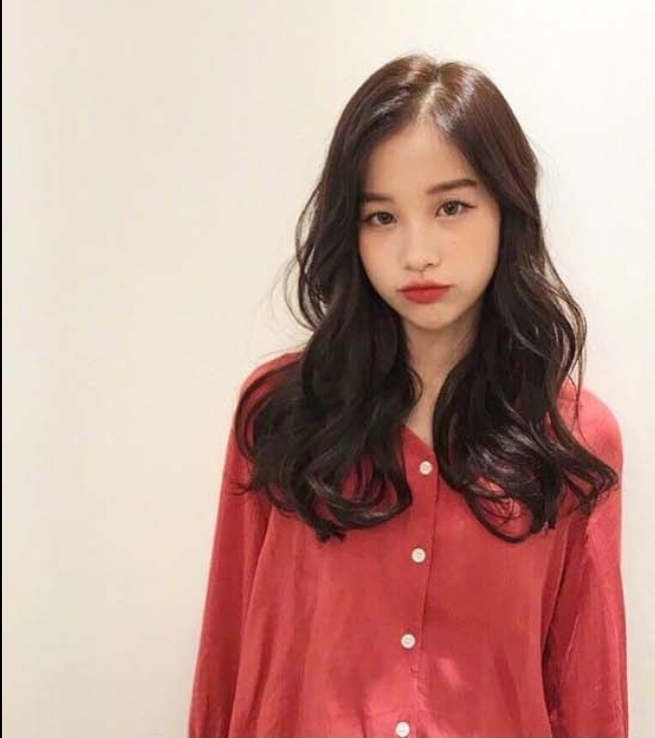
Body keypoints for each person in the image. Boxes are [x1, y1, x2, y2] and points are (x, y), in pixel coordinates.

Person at [188, 52, 628, 738]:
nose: (417, 252)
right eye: (381, 217)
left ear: (506, 209)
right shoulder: (280, 413)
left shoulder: (570, 438)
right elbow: (229, 651)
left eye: (451, 207)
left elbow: (587, 689)